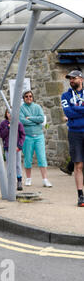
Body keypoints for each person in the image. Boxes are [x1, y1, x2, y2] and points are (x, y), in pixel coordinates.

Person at [19, 90, 52, 188]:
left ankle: (45, 179)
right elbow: (22, 120)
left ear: (32, 97)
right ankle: (28, 179)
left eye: (30, 96)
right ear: (23, 98)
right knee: (28, 158)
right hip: (27, 137)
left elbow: (41, 119)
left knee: (42, 158)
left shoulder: (37, 107)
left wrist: (30, 118)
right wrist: (34, 121)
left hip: (39, 136)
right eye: (26, 96)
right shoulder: (21, 108)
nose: (28, 98)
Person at [60, 69, 84, 206]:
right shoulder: (65, 95)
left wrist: (75, 109)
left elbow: (72, 111)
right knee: (78, 164)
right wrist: (80, 110)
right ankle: (80, 196)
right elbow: (67, 111)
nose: (71, 81)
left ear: (81, 79)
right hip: (75, 132)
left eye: (74, 78)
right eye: (70, 79)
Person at [0, 109, 26, 191]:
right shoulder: (3, 124)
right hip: (8, 148)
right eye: (8, 112)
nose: (10, 114)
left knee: (17, 165)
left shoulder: (19, 123)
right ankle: (10, 182)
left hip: (16, 148)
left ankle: (19, 181)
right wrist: (7, 128)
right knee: (10, 165)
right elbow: (1, 134)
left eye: (11, 112)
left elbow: (22, 135)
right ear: (6, 114)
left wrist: (19, 146)